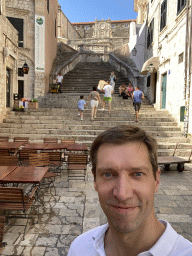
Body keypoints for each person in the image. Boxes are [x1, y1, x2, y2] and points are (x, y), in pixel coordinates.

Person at [68, 125, 192, 256]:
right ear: (95, 181)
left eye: (137, 174)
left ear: (156, 180)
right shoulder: (79, 248)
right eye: (108, 174)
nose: (122, 194)